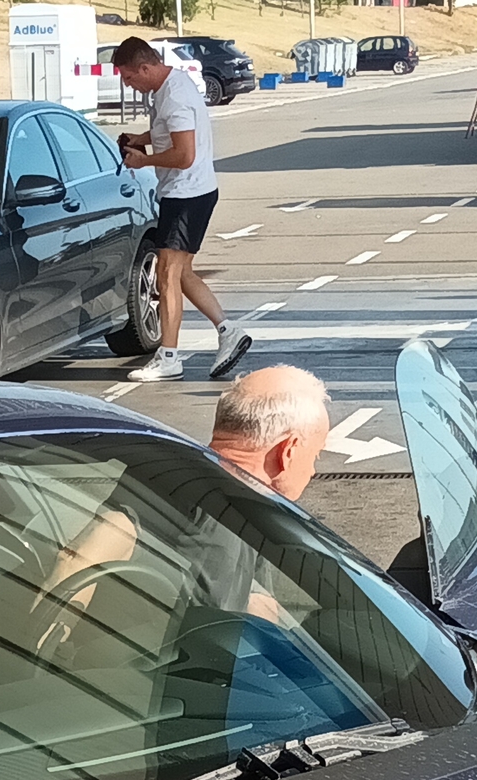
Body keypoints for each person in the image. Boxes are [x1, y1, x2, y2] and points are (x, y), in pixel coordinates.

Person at [110, 38, 251, 383]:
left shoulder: (173, 96)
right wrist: (141, 139)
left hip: (187, 193)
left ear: (145, 67)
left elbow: (184, 155)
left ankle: (169, 357)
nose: (128, 85)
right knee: (182, 273)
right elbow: (170, 134)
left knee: (166, 274)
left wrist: (145, 160)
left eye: (129, 77)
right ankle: (228, 330)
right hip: (191, 191)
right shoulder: (169, 86)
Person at [206, 365, 330, 501]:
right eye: (315, 454)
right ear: (288, 450)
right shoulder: (258, 518)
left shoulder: (183, 485)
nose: (313, 471)